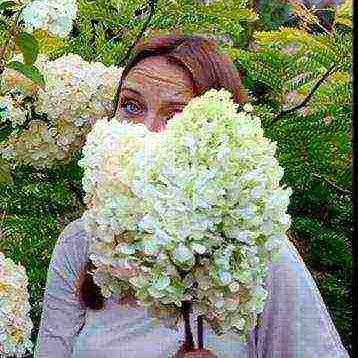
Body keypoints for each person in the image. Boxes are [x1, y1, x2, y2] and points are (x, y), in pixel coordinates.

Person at [34, 34, 349, 358]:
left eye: (176, 116)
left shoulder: (257, 251)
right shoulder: (79, 244)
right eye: (131, 106)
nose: (146, 131)